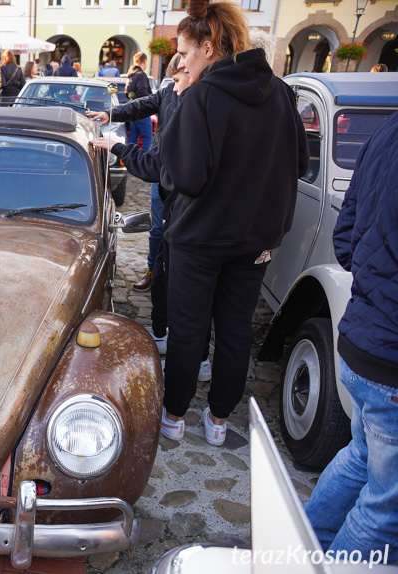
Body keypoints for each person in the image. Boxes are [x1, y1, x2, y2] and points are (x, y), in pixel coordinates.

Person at [151, 0, 307, 445]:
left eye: (184, 51)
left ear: (209, 44)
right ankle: (218, 422)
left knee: (188, 328)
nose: (181, 60)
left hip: (201, 238)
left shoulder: (202, 96)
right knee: (235, 330)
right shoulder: (279, 91)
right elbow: (297, 161)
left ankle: (175, 417)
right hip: (255, 240)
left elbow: (185, 177)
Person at [304, 111, 398, 565]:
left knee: (359, 456)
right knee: (386, 508)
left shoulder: (389, 129)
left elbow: (347, 238)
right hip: (388, 354)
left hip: (365, 334)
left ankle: (299, 552)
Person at [89, 55, 213, 382]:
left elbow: (153, 165)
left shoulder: (200, 103)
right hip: (163, 186)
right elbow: (144, 104)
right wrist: (111, 113)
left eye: (178, 78)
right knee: (158, 245)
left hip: (178, 188)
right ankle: (160, 327)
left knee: (184, 279)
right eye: (170, 78)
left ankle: (191, 350)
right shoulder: (170, 92)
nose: (173, 84)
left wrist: (119, 148)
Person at [124, 52, 154, 185]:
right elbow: (143, 92)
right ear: (144, 62)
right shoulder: (141, 75)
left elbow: (127, 93)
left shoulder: (129, 75)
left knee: (133, 140)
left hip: (132, 111)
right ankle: (144, 166)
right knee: (148, 138)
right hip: (142, 111)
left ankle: (130, 164)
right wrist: (151, 101)